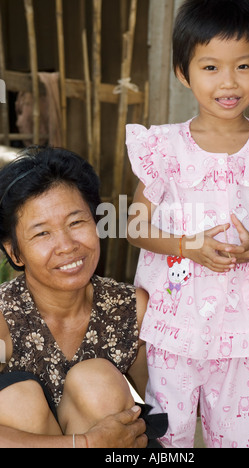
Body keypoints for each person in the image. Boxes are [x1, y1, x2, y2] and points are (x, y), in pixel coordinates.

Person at [126, 0, 249, 448]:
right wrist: (187, 245)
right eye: (210, 66)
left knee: (242, 434)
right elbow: (135, 225)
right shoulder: (163, 147)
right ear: (184, 73)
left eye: (243, 65)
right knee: (172, 430)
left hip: (244, 317)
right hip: (177, 312)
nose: (228, 81)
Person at [0, 146, 168, 448]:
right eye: (41, 233)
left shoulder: (129, 309)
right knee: (16, 399)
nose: (66, 246)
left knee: (97, 380)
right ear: (15, 252)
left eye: (76, 222)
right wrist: (86, 443)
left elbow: (172, 396)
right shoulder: (3, 316)